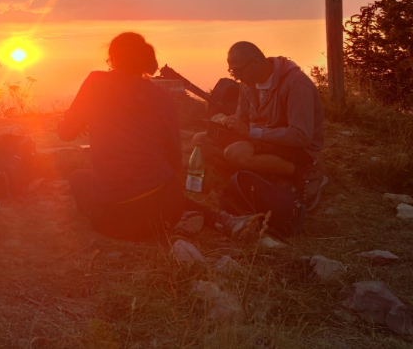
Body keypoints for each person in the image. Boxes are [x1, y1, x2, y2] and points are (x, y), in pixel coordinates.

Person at [59, 32, 250, 241]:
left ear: (113, 59)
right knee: (152, 185)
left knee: (79, 178)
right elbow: (174, 159)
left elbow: (65, 133)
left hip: (116, 222)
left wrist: (80, 118)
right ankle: (218, 219)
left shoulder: (96, 82)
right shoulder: (162, 98)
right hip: (167, 207)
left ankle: (185, 222)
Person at [192, 41, 326, 208]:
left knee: (235, 153)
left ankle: (304, 173)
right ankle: (261, 172)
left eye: (238, 70)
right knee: (200, 141)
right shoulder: (248, 85)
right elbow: (243, 118)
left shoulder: (296, 84)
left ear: (255, 62)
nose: (236, 76)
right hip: (259, 140)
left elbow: (302, 136)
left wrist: (252, 132)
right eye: (232, 71)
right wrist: (229, 123)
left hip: (295, 148)